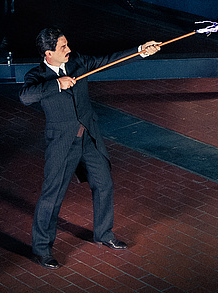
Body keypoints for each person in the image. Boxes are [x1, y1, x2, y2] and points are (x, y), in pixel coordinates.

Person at [20, 27, 161, 269]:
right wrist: (57, 84)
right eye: (63, 47)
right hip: (63, 143)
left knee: (104, 183)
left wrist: (141, 51)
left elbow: (109, 60)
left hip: (89, 136)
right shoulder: (37, 76)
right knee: (51, 197)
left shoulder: (78, 62)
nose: (69, 50)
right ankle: (42, 250)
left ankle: (104, 233)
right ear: (48, 54)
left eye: (67, 44)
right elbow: (25, 96)